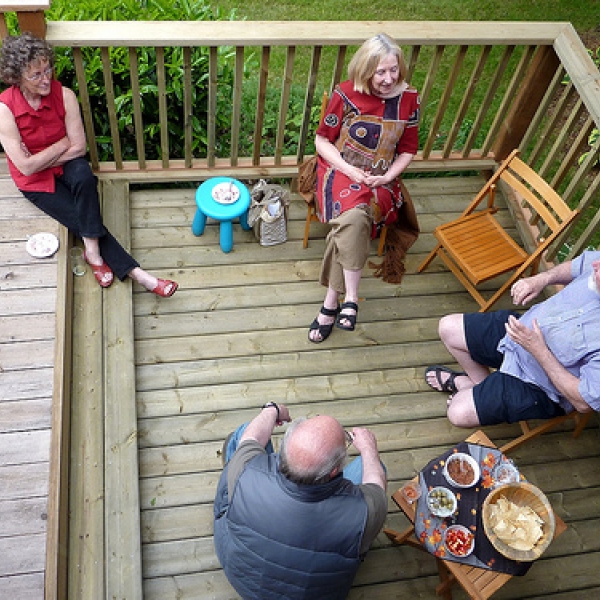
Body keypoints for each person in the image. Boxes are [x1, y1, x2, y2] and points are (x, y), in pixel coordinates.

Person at [0, 33, 178, 296]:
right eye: (36, 75)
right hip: (36, 183)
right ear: (16, 78)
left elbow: (79, 147)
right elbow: (26, 168)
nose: (46, 78)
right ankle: (140, 276)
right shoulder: (4, 109)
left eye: (47, 68)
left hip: (65, 166)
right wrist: (61, 144)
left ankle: (93, 253)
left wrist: (42, 157)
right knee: (83, 217)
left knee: (83, 173)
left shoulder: (66, 95)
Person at [309, 33, 420, 343]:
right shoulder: (345, 94)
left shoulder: (410, 99)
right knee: (355, 218)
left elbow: (408, 149)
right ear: (365, 68)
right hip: (340, 170)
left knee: (349, 224)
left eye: (393, 70)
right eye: (379, 71)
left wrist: (387, 177)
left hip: (382, 178)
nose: (387, 79)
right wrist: (349, 170)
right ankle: (352, 298)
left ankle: (332, 302)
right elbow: (322, 140)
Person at [213, 402, 387, 599]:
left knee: (244, 435)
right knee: (375, 467)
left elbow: (250, 438)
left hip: (242, 578)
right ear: (334, 471)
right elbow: (377, 488)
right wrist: (368, 449)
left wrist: (272, 410)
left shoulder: (245, 470)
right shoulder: (364, 513)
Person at [425, 251, 600, 427]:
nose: (595, 265)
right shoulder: (597, 267)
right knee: (448, 328)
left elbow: (582, 402)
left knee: (458, 413)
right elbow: (576, 266)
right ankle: (480, 387)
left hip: (539, 385)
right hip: (518, 334)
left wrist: (539, 350)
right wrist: (543, 279)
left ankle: (464, 385)